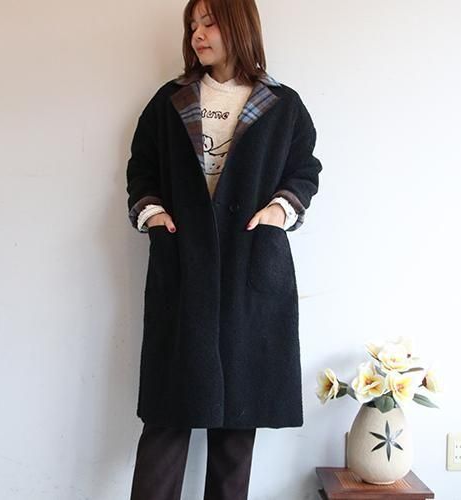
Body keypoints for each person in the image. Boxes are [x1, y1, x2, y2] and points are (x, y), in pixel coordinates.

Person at [125, 0, 322, 498]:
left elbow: (305, 169)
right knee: (168, 417)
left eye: (209, 22)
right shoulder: (170, 100)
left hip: (250, 269)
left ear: (238, 25)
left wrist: (280, 210)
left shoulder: (282, 105)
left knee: (238, 423)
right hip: (183, 265)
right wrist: (153, 213)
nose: (197, 34)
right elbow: (141, 167)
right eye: (192, 24)